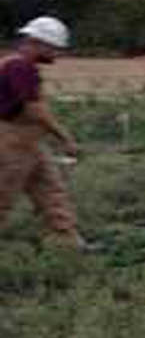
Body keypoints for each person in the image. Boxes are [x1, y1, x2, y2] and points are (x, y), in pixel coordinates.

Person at [0, 16, 85, 248]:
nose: (57, 54)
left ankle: (67, 242)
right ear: (38, 43)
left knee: (51, 191)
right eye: (54, 48)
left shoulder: (18, 65)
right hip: (11, 141)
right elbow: (34, 109)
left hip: (28, 141)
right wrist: (64, 137)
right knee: (3, 194)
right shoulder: (20, 67)